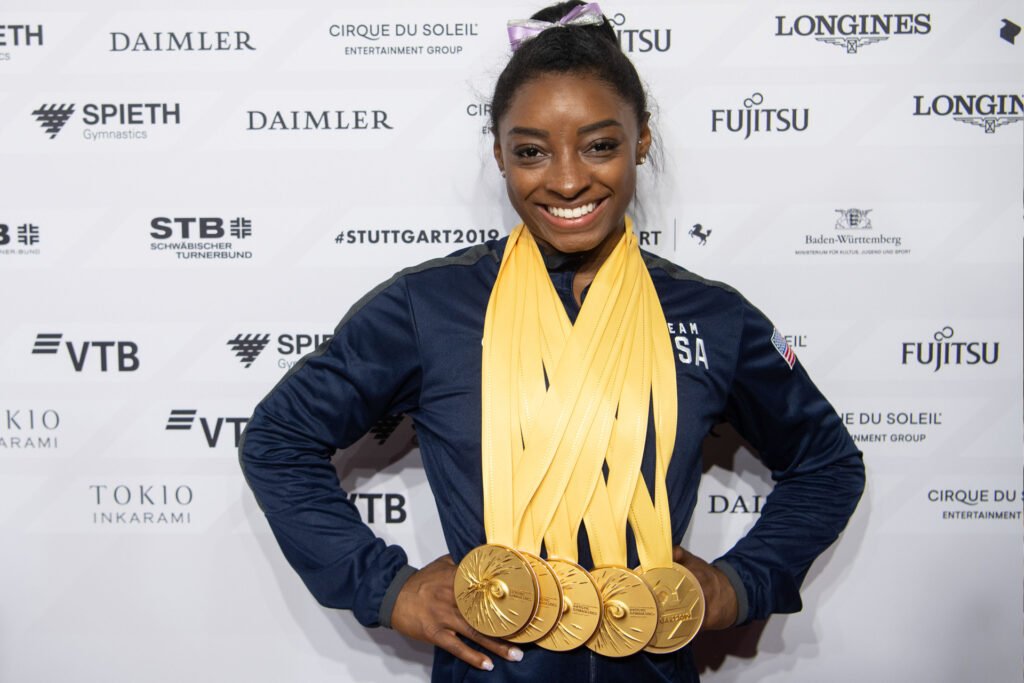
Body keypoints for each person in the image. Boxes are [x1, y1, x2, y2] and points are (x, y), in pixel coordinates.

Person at [239, 2, 865, 681]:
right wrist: (390, 587)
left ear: (642, 141)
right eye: (532, 151)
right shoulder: (430, 307)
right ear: (500, 153)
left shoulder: (713, 317)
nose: (567, 180)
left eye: (600, 144)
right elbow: (278, 440)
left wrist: (740, 583)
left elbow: (827, 464)